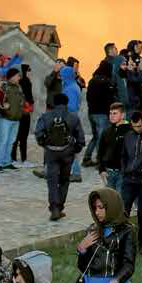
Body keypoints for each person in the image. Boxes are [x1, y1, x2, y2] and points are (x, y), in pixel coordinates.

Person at [33, 93, 86, 221]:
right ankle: (60, 207)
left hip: (51, 152)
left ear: (54, 103)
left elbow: (38, 133)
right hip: (67, 152)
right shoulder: (73, 117)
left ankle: (54, 207)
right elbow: (80, 138)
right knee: (64, 180)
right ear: (66, 103)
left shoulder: (46, 116)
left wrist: (45, 144)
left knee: (52, 181)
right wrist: (75, 149)